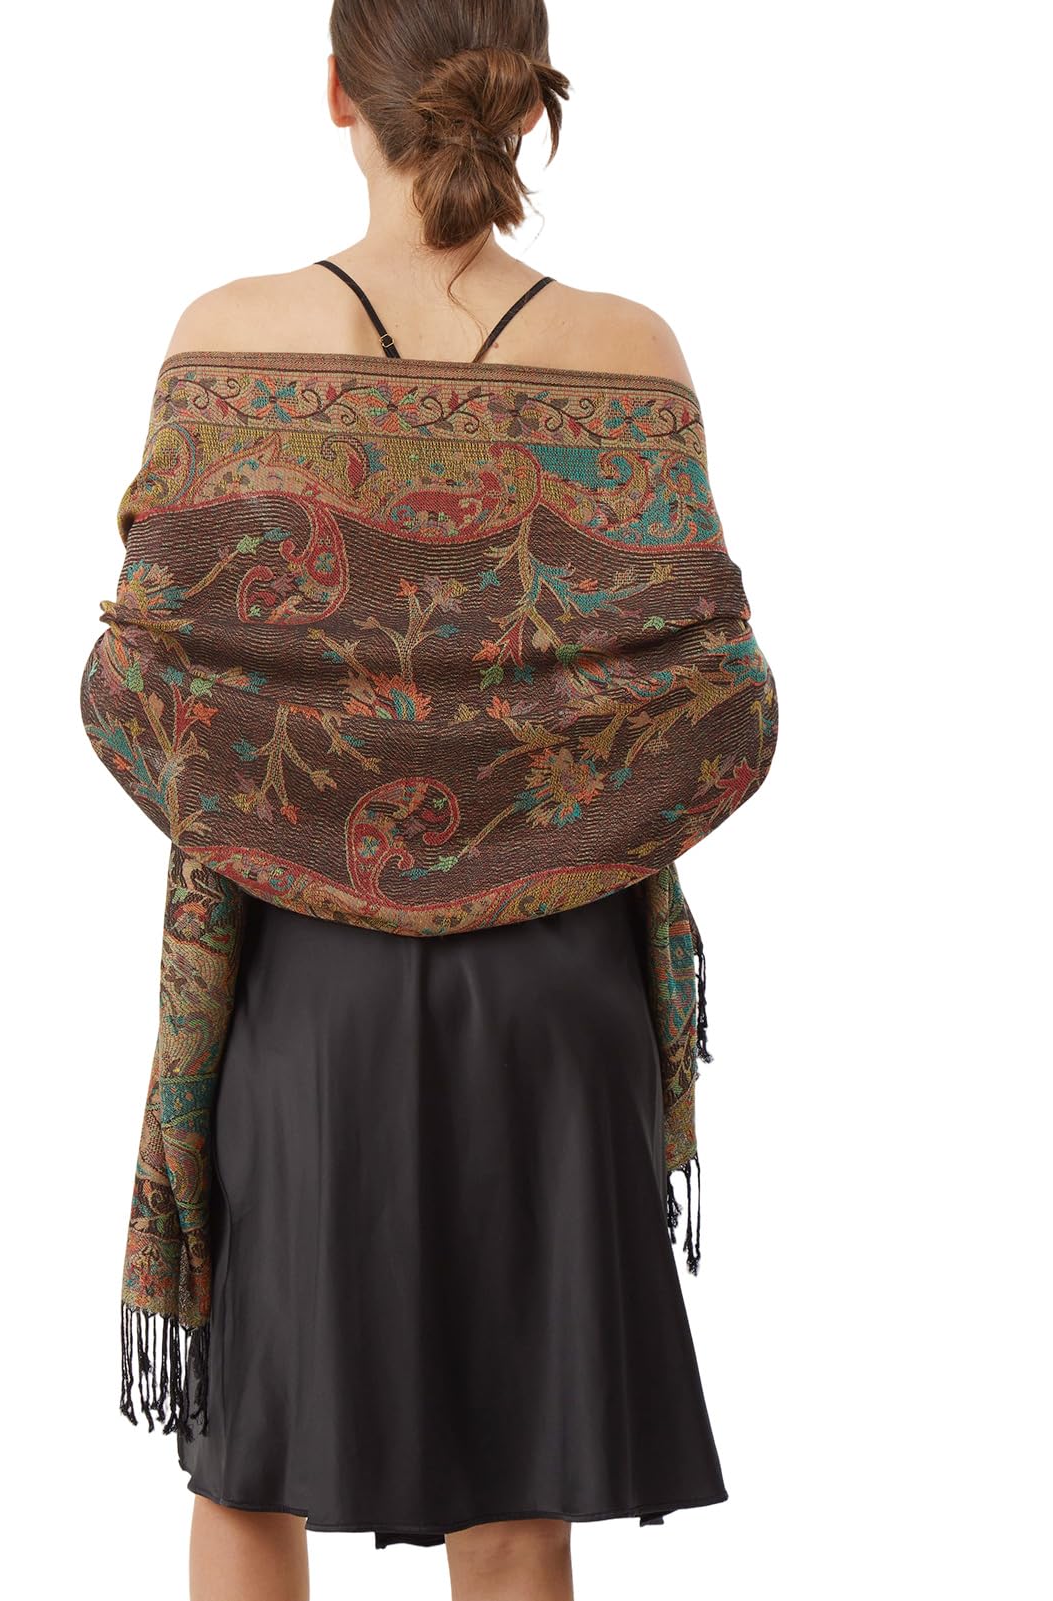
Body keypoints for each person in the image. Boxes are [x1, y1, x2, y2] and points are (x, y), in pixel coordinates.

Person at [120, 5, 762, 1598]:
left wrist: (304, 800)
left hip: (301, 983)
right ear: (526, 102)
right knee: (516, 1470)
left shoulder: (226, 335)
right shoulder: (628, 348)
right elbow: (719, 703)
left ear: (337, 91)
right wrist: (538, 804)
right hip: (561, 986)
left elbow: (143, 691)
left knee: (249, 1450)